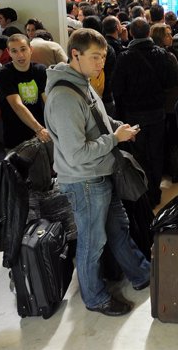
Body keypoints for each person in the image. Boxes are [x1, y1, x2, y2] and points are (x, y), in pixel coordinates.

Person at [44, 28, 151, 317]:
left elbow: (97, 121)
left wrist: (119, 128)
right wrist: (115, 139)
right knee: (93, 241)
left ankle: (142, 274)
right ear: (75, 54)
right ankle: (95, 297)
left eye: (103, 57)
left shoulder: (82, 82)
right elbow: (76, 152)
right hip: (84, 181)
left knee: (118, 230)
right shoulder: (65, 96)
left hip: (100, 174)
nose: (100, 63)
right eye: (94, 57)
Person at [111, 18, 178, 207]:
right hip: (157, 112)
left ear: (132, 34)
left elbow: (117, 88)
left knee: (139, 154)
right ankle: (155, 190)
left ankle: (144, 193)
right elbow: (172, 82)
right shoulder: (162, 55)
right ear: (149, 33)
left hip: (133, 114)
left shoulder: (124, 57)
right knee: (157, 152)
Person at [0, 34, 49, 148]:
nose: (20, 55)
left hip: (41, 133)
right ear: (9, 52)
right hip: (16, 135)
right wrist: (39, 129)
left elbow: (48, 100)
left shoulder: (40, 70)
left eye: (23, 49)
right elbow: (17, 105)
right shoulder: (3, 74)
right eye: (14, 51)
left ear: (31, 49)